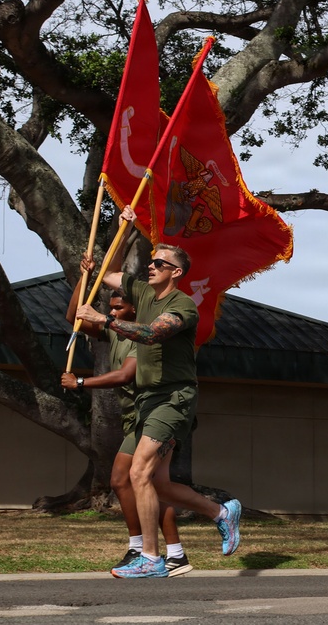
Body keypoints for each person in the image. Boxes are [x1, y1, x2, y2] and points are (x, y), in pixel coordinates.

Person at [75, 206, 242, 579]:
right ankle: (221, 512)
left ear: (176, 273)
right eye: (151, 261)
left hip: (173, 398)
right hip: (147, 402)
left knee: (139, 472)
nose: (151, 266)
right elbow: (109, 272)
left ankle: (151, 558)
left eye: (160, 263)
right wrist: (125, 229)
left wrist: (105, 319)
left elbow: (151, 333)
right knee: (157, 482)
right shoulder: (140, 291)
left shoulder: (183, 306)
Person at [62, 254, 192, 577]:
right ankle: (175, 550)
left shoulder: (141, 334)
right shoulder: (115, 332)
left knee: (132, 477)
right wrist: (86, 276)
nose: (113, 311)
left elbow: (125, 375)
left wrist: (80, 382)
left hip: (152, 413)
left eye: (119, 308)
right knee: (149, 482)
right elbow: (74, 317)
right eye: (111, 309)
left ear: (134, 310)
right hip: (137, 416)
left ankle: (145, 551)